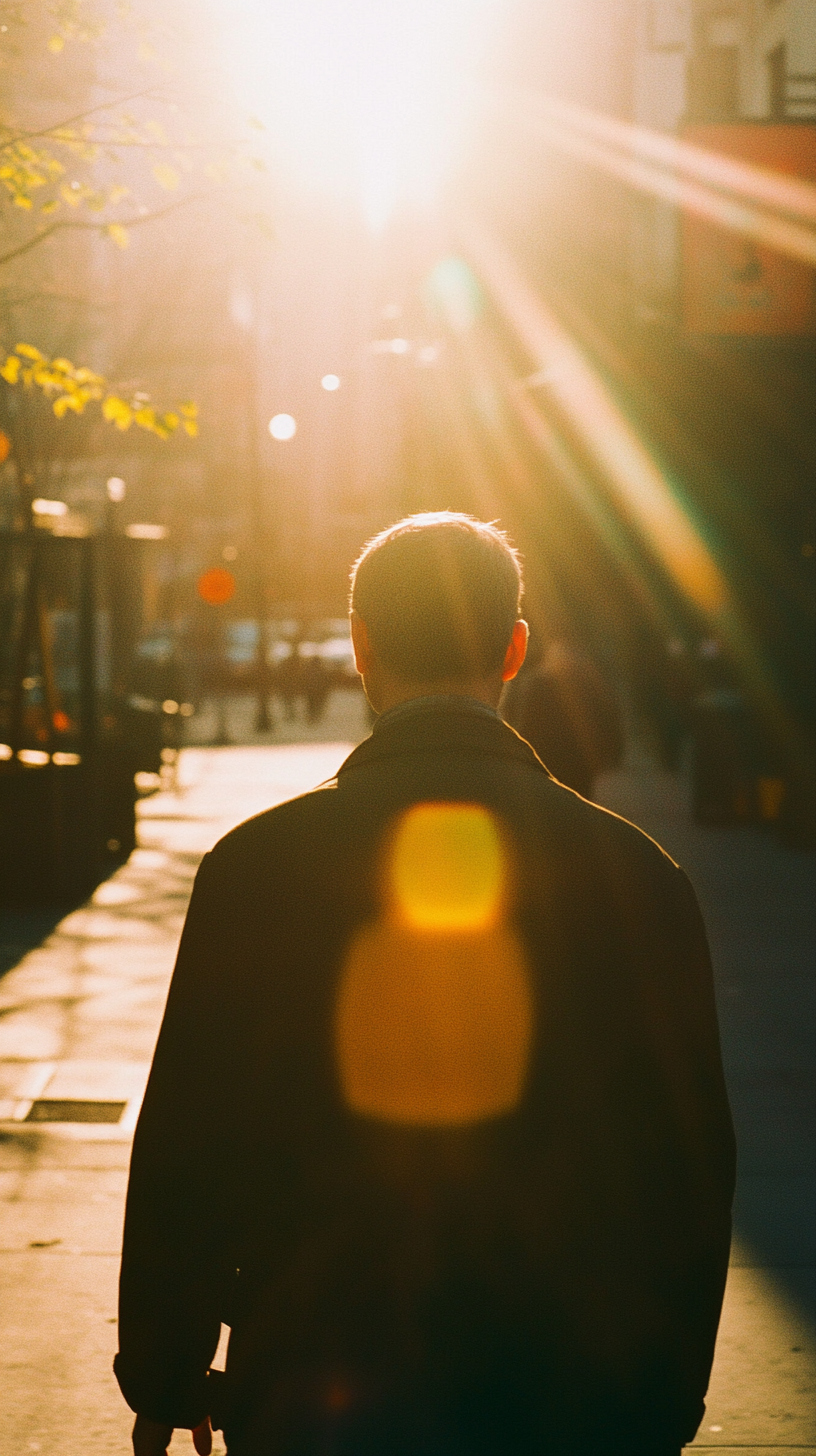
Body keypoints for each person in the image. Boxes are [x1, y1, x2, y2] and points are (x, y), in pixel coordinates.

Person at [116, 512, 735, 1456]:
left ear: (361, 646)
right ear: (514, 649)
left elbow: (191, 1143)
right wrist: (665, 1394)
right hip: (566, 1392)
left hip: (315, 1382)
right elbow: (688, 1167)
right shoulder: (641, 881)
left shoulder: (253, 869)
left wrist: (165, 1368)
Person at [503, 637, 623, 800]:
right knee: (578, 804)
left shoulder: (537, 685)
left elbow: (523, 726)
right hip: (576, 763)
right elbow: (610, 723)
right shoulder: (588, 685)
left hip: (550, 761)